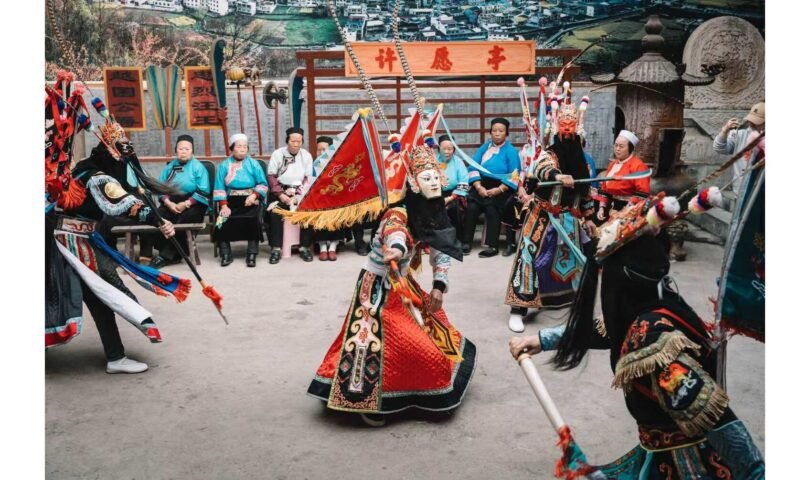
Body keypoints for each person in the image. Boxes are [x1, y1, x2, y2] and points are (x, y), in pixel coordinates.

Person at [508, 227, 764, 478]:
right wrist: (541, 340)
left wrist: (756, 473)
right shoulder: (655, 303)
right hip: (658, 452)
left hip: (687, 466)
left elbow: (717, 418)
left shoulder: (653, 344)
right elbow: (608, 330)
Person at [306, 144, 477, 427]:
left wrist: (439, 284)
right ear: (413, 183)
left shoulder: (435, 210)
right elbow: (395, 232)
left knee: (436, 335)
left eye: (436, 176)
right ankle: (367, 402)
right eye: (427, 178)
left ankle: (408, 390)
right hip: (377, 288)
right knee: (377, 346)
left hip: (403, 283)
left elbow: (441, 249)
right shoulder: (398, 212)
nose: (434, 182)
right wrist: (396, 249)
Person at [47, 103, 182, 374]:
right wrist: (157, 221)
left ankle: (115, 356)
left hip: (77, 240)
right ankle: (115, 356)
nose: (126, 157)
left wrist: (159, 220)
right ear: (111, 152)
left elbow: (128, 195)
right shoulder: (97, 177)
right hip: (70, 245)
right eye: (123, 150)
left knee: (99, 298)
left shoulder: (87, 169)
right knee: (97, 293)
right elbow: (123, 202)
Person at [504, 99, 596, 333]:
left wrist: (589, 217)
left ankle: (569, 303)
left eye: (571, 127)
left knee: (572, 260)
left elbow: (585, 190)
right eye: (564, 127)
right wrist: (557, 176)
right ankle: (518, 309)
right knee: (529, 258)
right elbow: (540, 168)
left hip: (569, 218)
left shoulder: (582, 159)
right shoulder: (549, 154)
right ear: (557, 129)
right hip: (542, 215)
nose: (567, 131)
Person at [143, 135, 210, 268]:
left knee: (186, 219)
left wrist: (186, 204)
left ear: (192, 151)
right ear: (176, 151)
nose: (184, 151)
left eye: (187, 149)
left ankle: (166, 255)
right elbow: (161, 188)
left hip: (193, 202)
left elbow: (204, 191)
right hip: (172, 201)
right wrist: (168, 203)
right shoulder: (170, 167)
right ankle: (169, 252)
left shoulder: (198, 167)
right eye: (180, 149)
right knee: (157, 216)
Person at [461, 117, 522, 257]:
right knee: (472, 207)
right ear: (490, 132)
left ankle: (492, 246)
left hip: (501, 187)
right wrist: (478, 187)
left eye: (501, 131)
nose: (497, 134)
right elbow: (473, 166)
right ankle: (466, 242)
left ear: (506, 133)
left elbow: (515, 174)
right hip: (481, 184)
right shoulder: (484, 148)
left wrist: (499, 189)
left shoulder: (511, 151)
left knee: (492, 208)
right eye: (494, 131)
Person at [213, 133, 268, 267]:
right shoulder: (224, 165)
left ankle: (252, 253)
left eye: (245, 147)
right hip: (229, 200)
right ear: (232, 149)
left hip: (250, 198)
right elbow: (219, 186)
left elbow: (263, 184)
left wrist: (254, 195)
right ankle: (225, 253)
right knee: (221, 220)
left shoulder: (253, 164)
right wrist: (223, 205)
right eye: (239, 146)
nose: (242, 149)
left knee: (253, 219)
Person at [266, 127, 315, 264]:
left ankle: (304, 247)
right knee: (275, 213)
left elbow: (308, 179)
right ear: (287, 141)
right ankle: (276, 248)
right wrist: (281, 194)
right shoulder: (277, 154)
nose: (296, 144)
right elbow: (271, 176)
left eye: (299, 141)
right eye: (293, 141)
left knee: (308, 212)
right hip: (280, 192)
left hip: (300, 193)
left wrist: (298, 195)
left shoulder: (306, 156)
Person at [596, 130, 651, 222]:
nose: (617, 149)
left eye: (621, 146)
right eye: (616, 145)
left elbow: (642, 192)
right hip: (613, 208)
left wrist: (626, 210)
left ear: (630, 148)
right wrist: (601, 208)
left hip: (632, 209)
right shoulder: (612, 165)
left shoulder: (639, 166)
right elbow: (604, 189)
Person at [713, 102, 765, 194]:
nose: (751, 124)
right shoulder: (740, 134)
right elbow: (720, 148)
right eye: (750, 120)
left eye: (756, 122)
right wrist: (724, 131)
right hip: (740, 189)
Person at [312, 135, 346, 261]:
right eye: (319, 150)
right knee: (319, 210)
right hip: (319, 197)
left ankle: (333, 246)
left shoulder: (338, 163)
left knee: (338, 209)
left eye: (324, 149)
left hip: (335, 196)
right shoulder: (314, 164)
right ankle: (322, 247)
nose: (321, 152)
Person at [437, 134, 469, 239]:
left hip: (454, 194)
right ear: (438, 149)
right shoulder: (433, 161)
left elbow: (464, 181)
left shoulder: (458, 162)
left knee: (455, 209)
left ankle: (457, 238)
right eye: (444, 149)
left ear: (454, 150)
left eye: (449, 149)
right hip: (436, 194)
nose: (446, 152)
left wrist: (450, 198)